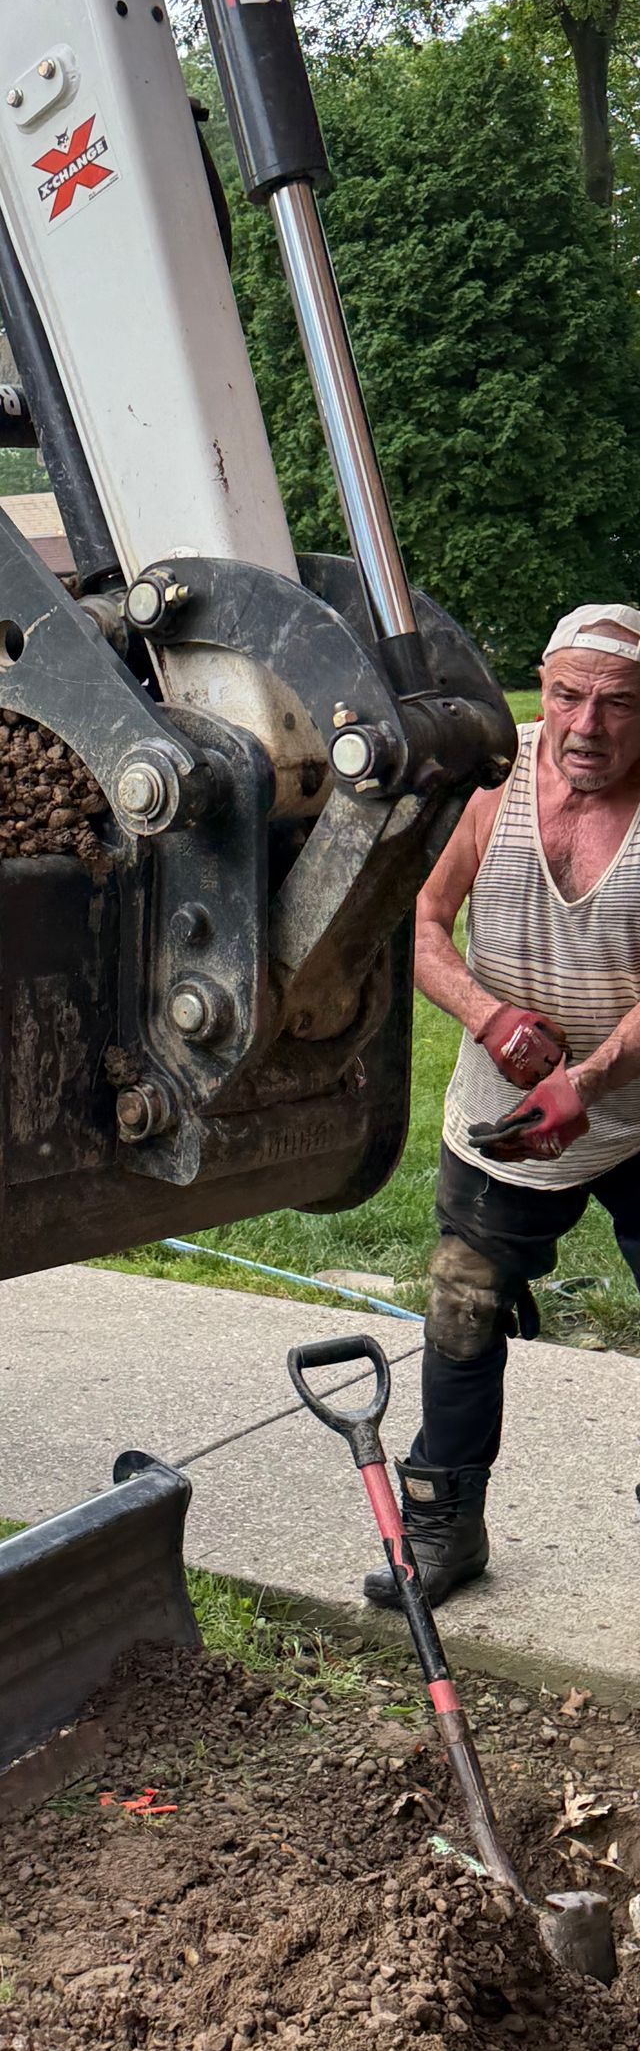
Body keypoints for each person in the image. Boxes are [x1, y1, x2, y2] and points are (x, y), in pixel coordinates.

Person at [366, 603, 640, 1611]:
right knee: (463, 1302)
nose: (587, 726)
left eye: (619, 705)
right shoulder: (498, 778)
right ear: (543, 685)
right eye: (568, 695)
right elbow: (426, 922)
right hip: (504, 1111)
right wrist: (487, 1018)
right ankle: (442, 1531)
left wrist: (590, 1079)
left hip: (634, 1110)